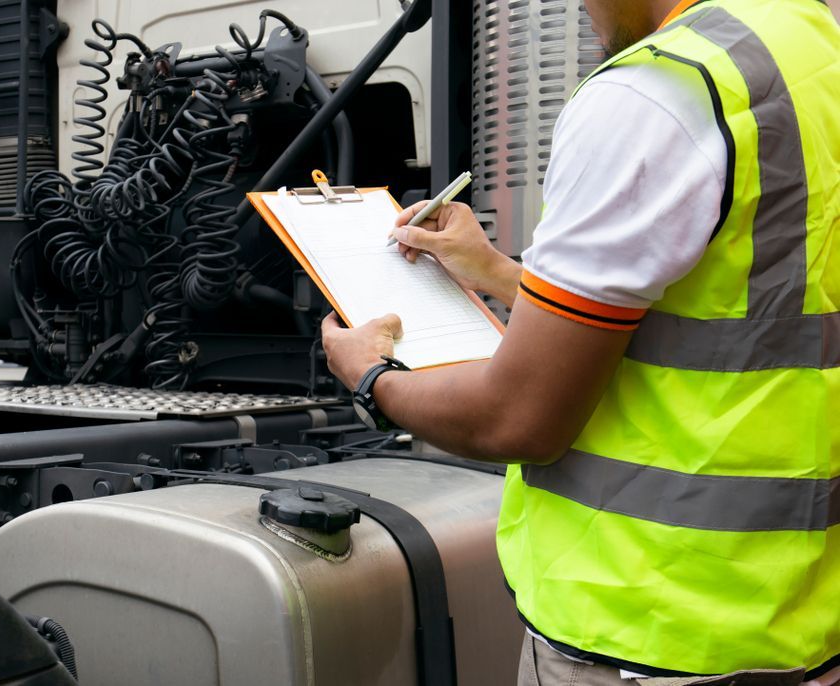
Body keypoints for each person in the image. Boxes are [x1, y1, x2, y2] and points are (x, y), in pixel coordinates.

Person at [321, 0, 840, 684]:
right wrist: (499, 274)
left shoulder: (659, 91)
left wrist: (370, 377)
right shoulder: (811, 47)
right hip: (798, 623)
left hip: (646, 625)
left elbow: (520, 416)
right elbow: (745, 316)